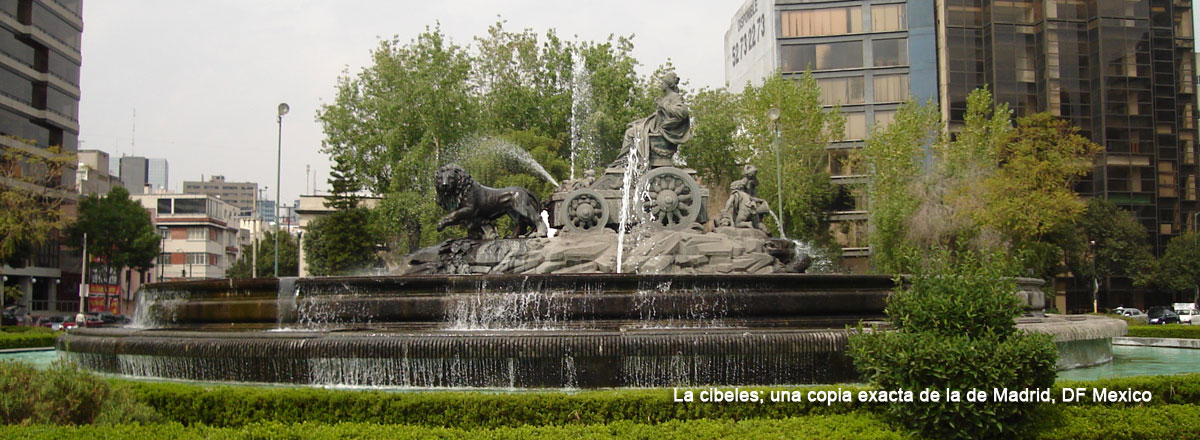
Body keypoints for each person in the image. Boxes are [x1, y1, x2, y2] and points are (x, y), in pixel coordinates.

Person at [611, 72, 692, 169]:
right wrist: (640, 122)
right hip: (655, 126)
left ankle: (623, 162)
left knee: (630, 133)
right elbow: (657, 116)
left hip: (663, 129)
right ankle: (627, 161)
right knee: (633, 129)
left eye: (662, 83)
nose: (661, 85)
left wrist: (662, 105)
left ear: (667, 84)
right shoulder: (666, 98)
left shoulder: (675, 97)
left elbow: (682, 112)